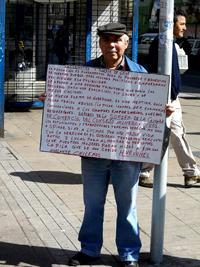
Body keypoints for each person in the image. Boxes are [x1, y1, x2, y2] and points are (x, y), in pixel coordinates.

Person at [67, 22, 174, 267]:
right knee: (92, 205)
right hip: (94, 152)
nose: (111, 44)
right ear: (100, 43)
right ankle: (90, 250)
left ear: (126, 43)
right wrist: (54, 100)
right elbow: (73, 105)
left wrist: (161, 112)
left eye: (117, 39)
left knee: (128, 206)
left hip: (127, 152)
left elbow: (147, 113)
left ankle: (129, 254)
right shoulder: (85, 72)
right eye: (106, 39)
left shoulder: (140, 74)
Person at [139, 9, 200, 188]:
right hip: (165, 98)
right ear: (169, 24)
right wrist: (167, 96)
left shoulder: (170, 42)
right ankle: (146, 171)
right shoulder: (162, 42)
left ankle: (190, 172)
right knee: (165, 134)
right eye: (181, 24)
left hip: (171, 97)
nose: (184, 27)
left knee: (176, 133)